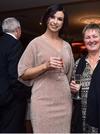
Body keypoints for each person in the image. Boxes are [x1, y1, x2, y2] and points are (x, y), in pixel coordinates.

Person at [18, 4, 74, 133]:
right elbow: (23, 73)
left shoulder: (67, 46)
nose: (55, 22)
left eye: (60, 19)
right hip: (42, 102)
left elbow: (68, 75)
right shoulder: (35, 43)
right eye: (52, 17)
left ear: (63, 23)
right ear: (46, 19)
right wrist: (45, 66)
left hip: (64, 101)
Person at [0, 17, 30, 132]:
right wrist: (25, 94)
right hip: (11, 100)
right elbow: (15, 76)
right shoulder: (15, 45)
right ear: (18, 30)